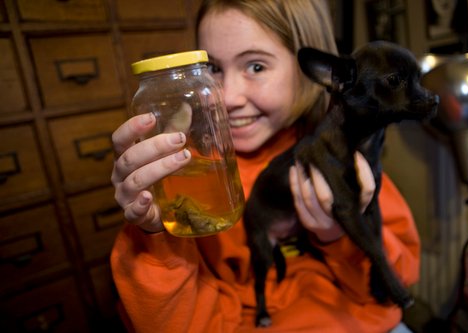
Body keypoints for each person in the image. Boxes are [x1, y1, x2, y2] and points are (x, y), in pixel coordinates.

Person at [110, 0, 420, 332]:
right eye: (213, 68)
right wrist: (156, 236)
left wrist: (339, 234)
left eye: (256, 66)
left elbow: (398, 283)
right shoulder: (192, 180)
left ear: (313, 73)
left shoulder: (346, 156)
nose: (227, 96)